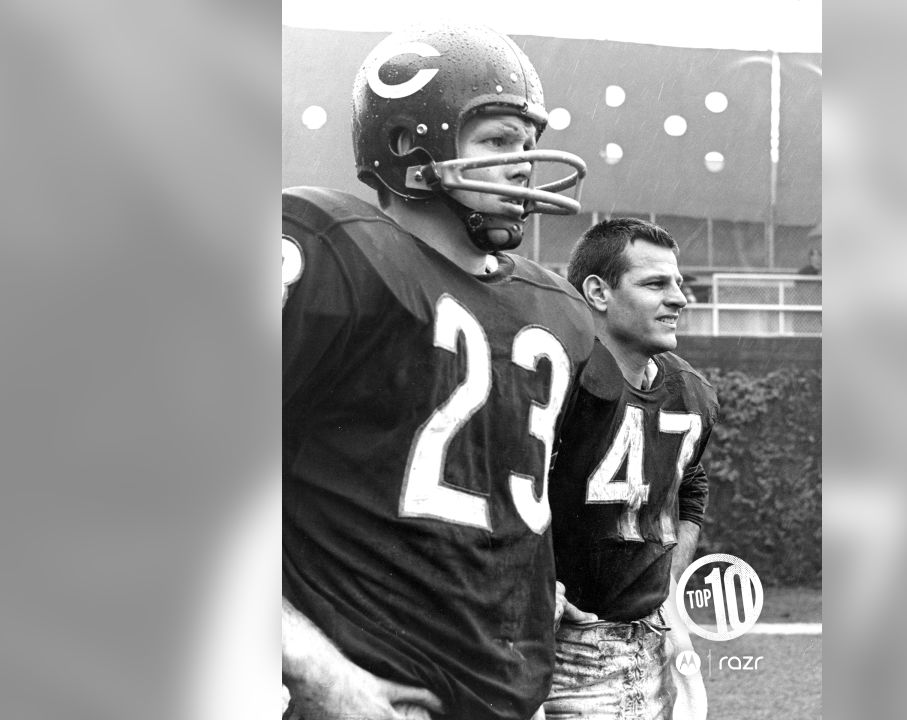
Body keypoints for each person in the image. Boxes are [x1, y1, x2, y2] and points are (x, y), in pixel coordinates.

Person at [281, 24, 594, 720]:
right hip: (367, 692)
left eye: (526, 144)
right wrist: (306, 663)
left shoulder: (559, 313)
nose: (523, 165)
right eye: (497, 141)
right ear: (407, 147)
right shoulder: (336, 254)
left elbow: (506, 509)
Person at [544, 218, 720, 720]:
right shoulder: (559, 377)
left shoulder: (687, 390)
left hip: (652, 637)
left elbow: (691, 483)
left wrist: (671, 575)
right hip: (560, 641)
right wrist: (540, 585)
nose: (680, 298)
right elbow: (497, 483)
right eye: (655, 284)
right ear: (598, 292)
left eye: (679, 283)